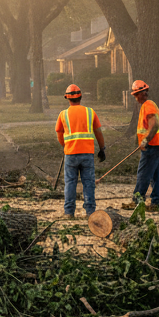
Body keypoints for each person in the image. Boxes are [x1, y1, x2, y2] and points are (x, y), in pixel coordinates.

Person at [55, 83, 106, 219]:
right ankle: (90, 212)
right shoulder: (90, 112)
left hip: (70, 154)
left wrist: (65, 146)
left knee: (70, 182)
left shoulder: (63, 114)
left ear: (67, 98)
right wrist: (102, 148)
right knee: (88, 182)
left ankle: (69, 212)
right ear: (81, 97)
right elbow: (98, 132)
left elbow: (59, 133)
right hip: (87, 154)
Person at [131, 79, 159, 211]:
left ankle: (137, 200)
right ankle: (156, 200)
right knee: (156, 173)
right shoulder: (147, 105)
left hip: (153, 145)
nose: (135, 97)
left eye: (136, 95)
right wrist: (139, 140)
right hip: (157, 144)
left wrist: (146, 141)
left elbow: (154, 125)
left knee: (144, 173)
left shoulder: (148, 105)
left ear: (143, 93)